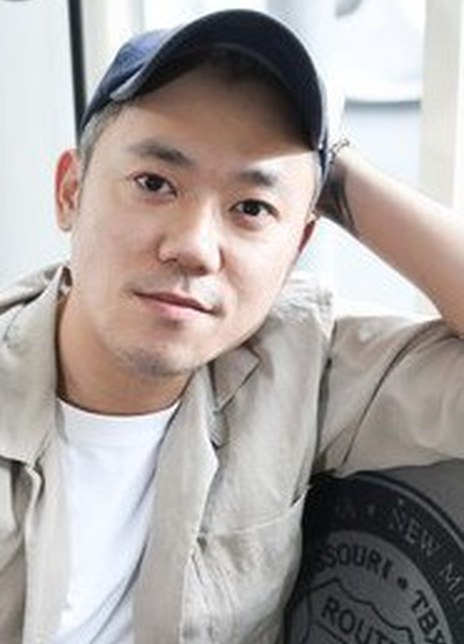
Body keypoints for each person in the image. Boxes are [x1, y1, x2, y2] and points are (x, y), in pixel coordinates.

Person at [1, 8, 464, 644]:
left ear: (297, 247)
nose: (194, 247)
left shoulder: (294, 363)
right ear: (70, 193)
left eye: (250, 207)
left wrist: (337, 172)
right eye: (154, 183)